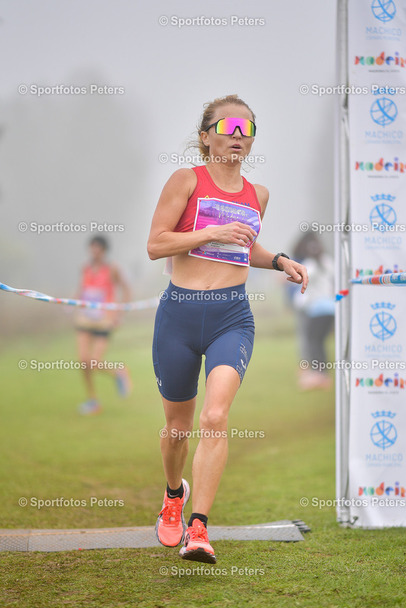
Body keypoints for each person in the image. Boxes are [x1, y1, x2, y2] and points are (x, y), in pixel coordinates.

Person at [147, 95, 308, 564]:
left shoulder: (259, 195)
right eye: (228, 126)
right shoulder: (186, 180)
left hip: (231, 318)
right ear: (206, 136)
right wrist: (210, 232)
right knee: (177, 429)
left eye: (247, 128)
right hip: (178, 317)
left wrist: (279, 260)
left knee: (215, 417)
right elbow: (156, 244)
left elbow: (245, 247)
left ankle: (198, 529)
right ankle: (173, 494)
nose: (238, 135)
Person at [75, 236, 132, 415]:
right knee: (84, 361)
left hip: (103, 321)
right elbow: (82, 290)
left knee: (94, 361)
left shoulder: (112, 268)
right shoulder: (85, 268)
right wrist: (72, 305)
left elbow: (126, 289)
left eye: (98, 248)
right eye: (92, 248)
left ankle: (118, 372)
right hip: (85, 319)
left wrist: (119, 314)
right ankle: (93, 400)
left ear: (104, 250)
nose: (94, 251)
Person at [291, 232, 335, 390]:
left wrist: (298, 303)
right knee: (320, 343)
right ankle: (322, 375)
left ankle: (319, 375)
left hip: (317, 310)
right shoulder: (329, 262)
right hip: (331, 308)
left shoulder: (309, 265)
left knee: (314, 343)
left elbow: (303, 284)